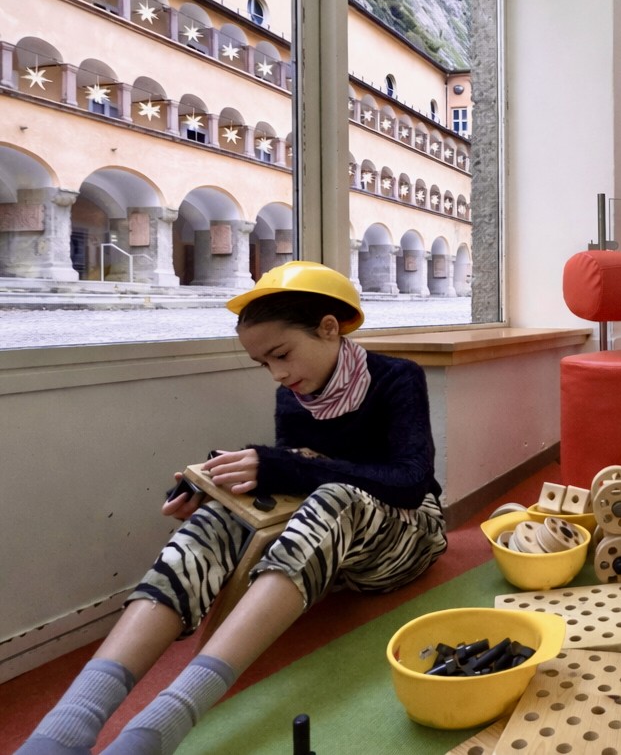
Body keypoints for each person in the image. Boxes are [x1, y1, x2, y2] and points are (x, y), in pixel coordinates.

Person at [18, 261, 446, 755]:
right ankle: (67, 725)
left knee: (335, 496)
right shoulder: (293, 398)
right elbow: (295, 478)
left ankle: (163, 723)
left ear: (329, 328)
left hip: (409, 536)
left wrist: (285, 467)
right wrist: (220, 488)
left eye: (281, 354)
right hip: (329, 552)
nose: (278, 374)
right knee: (218, 516)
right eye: (264, 363)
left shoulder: (397, 377)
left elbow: (410, 483)